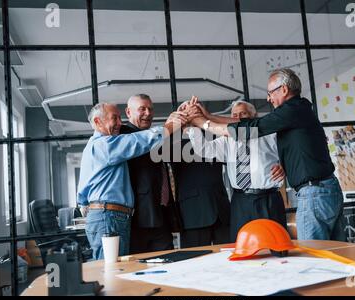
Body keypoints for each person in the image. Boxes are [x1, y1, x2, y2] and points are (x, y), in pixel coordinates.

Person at [183, 68, 346, 241]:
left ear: (283, 90)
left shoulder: (279, 122)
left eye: (270, 93)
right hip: (243, 200)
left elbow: (251, 128)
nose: (268, 98)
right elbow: (208, 149)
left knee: (306, 250)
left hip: (281, 196)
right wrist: (200, 123)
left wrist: (204, 122)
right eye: (234, 115)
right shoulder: (298, 110)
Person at [77, 102, 187, 259]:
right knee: (111, 270)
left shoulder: (93, 147)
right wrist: (170, 126)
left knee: (116, 267)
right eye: (114, 118)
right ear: (97, 122)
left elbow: (82, 193)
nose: (119, 123)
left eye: (119, 118)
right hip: (109, 216)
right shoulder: (104, 145)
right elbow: (139, 141)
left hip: (109, 215)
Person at [185, 100, 287, 241]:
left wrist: (285, 166)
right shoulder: (227, 140)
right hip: (240, 201)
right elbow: (204, 149)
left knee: (274, 244)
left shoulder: (269, 134)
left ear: (254, 115)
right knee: (242, 245)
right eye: (234, 114)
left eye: (242, 114)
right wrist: (194, 126)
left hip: (268, 199)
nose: (236, 118)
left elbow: (289, 152)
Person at [119, 94, 180, 254]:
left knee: (169, 265)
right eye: (142, 109)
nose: (148, 113)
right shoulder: (124, 135)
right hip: (138, 219)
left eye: (150, 109)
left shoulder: (155, 137)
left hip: (160, 214)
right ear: (128, 112)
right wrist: (168, 127)